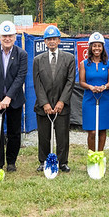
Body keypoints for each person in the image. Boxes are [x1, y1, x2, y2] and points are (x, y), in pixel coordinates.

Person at [0, 20, 28, 172]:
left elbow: (20, 77)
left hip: (14, 100)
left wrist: (8, 97)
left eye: (10, 36)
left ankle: (11, 162)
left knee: (14, 131)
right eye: (4, 36)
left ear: (15, 37)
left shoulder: (22, 54)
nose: (7, 39)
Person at [33, 25, 75, 172]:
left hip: (61, 104)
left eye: (54, 39)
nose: (51, 41)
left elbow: (70, 82)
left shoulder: (69, 58)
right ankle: (43, 161)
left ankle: (62, 162)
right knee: (44, 135)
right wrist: (44, 103)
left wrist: (61, 101)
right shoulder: (38, 60)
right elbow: (37, 83)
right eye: (49, 39)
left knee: (62, 135)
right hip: (43, 105)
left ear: (59, 40)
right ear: (45, 41)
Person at [79, 32, 109, 151]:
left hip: (104, 99)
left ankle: (100, 155)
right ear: (90, 47)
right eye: (94, 46)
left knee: (102, 130)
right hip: (89, 100)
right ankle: (92, 155)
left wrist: (104, 87)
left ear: (103, 47)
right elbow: (82, 82)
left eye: (99, 45)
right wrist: (91, 87)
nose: (97, 48)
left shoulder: (108, 64)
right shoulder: (84, 64)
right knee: (92, 132)